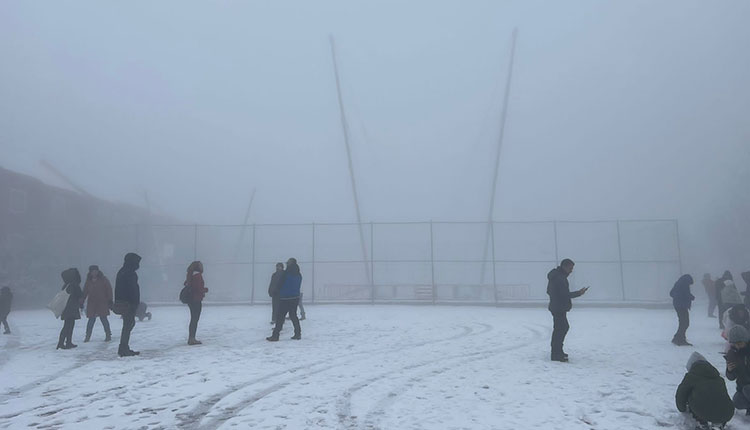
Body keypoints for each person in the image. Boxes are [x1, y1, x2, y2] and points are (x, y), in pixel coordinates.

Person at [676, 351, 735, 429]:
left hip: (704, 412)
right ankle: (719, 423)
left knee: (690, 394)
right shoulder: (718, 377)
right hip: (727, 413)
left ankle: (701, 422)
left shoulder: (691, 377)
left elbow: (681, 394)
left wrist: (682, 409)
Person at [546, 258, 589, 362]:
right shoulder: (559, 278)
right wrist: (579, 293)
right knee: (561, 329)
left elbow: (549, 291)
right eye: (570, 268)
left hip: (557, 307)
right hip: (558, 308)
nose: (571, 270)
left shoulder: (556, 276)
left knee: (561, 328)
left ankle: (557, 352)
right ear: (564, 267)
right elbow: (564, 294)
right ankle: (556, 354)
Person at [267, 258, 302, 342]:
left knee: (280, 317)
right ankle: (298, 334)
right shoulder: (299, 274)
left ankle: (275, 336)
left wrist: (274, 292)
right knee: (293, 316)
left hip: (285, 298)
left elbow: (279, 285)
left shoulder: (285, 274)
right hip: (295, 298)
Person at [115, 253, 141, 357]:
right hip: (129, 303)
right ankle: (123, 348)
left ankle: (124, 347)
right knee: (128, 325)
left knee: (128, 324)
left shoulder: (122, 271)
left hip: (122, 302)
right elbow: (133, 290)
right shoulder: (130, 273)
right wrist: (134, 303)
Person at [81, 265, 113, 342]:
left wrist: (110, 300)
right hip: (92, 303)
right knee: (91, 320)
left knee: (104, 319)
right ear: (90, 272)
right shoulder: (88, 281)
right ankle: (87, 336)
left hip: (102, 302)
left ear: (98, 271)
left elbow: (109, 289)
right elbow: (85, 292)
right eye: (92, 271)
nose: (94, 272)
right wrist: (81, 301)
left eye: (96, 271)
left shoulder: (103, 279)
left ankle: (108, 334)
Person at [725, 326, 750, 416]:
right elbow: (731, 377)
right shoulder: (732, 354)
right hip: (742, 388)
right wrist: (730, 370)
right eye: (735, 344)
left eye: (739, 343)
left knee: (747, 389)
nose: (737, 346)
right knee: (737, 401)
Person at [57, 268, 82, 350]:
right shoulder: (74, 285)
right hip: (71, 308)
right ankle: (64, 343)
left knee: (67, 325)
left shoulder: (66, 285)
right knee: (69, 326)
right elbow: (79, 294)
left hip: (66, 308)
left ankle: (65, 342)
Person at [184, 261, 208, 345]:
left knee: (193, 319)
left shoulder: (190, 275)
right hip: (196, 300)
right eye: (201, 265)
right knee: (195, 319)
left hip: (191, 300)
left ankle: (191, 338)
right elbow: (198, 288)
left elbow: (187, 284)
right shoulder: (197, 276)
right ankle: (192, 338)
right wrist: (205, 290)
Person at [670, 274, 695, 346]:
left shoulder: (678, 283)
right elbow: (685, 294)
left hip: (678, 305)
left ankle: (680, 338)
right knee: (685, 323)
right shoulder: (684, 285)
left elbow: (671, 293)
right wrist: (691, 297)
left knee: (683, 322)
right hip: (682, 306)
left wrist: (677, 297)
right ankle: (678, 338)